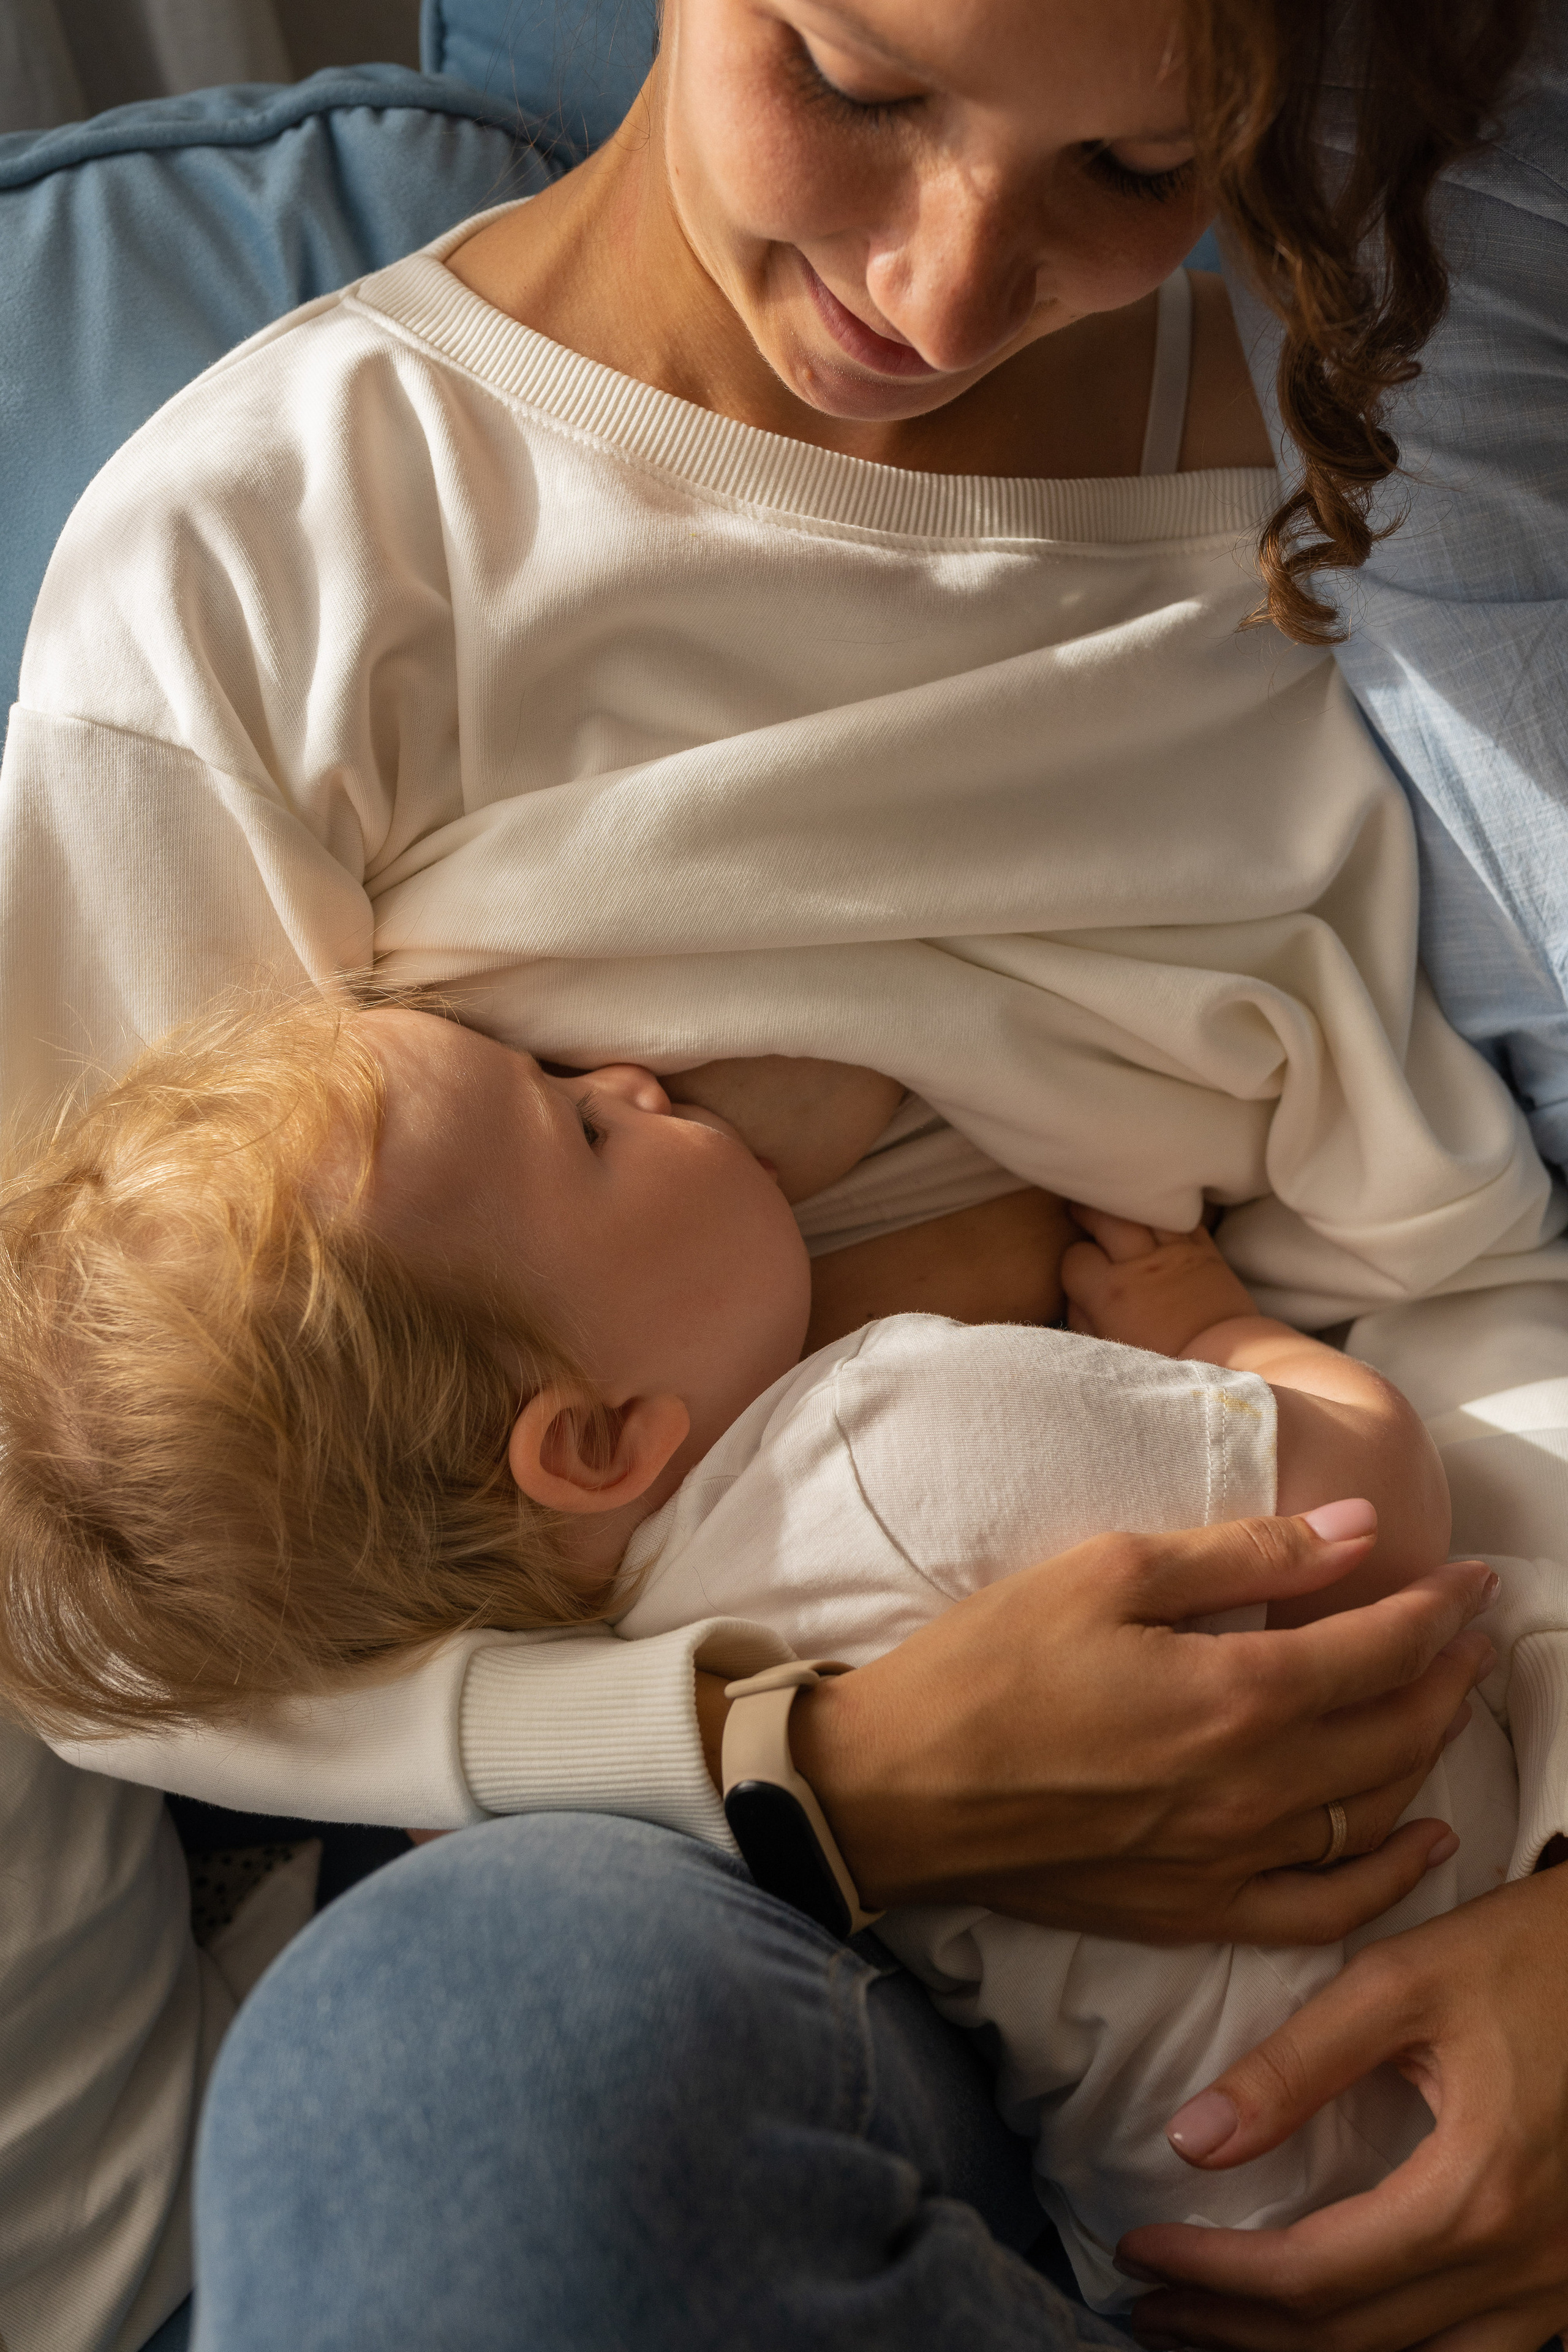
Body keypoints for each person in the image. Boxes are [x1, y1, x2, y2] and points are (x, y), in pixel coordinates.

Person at [2, 2, 1565, 2348]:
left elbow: (1457, 1267)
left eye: (1128, 182)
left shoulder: (1321, 513)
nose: (936, 293)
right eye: (857, 88)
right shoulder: (286, 556)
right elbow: (102, 1571)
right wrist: (795, 1772)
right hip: (664, 1902)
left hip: (1352, 1836)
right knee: (459, 2090)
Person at [0, 981, 1547, 2317]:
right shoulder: (890, 1433)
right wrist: (1206, 1327)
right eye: (582, 1133)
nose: (626, 1074)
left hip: (1193, 2242)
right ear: (596, 1438)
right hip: (1445, 2060)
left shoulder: (588, 1742)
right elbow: (1376, 1509)